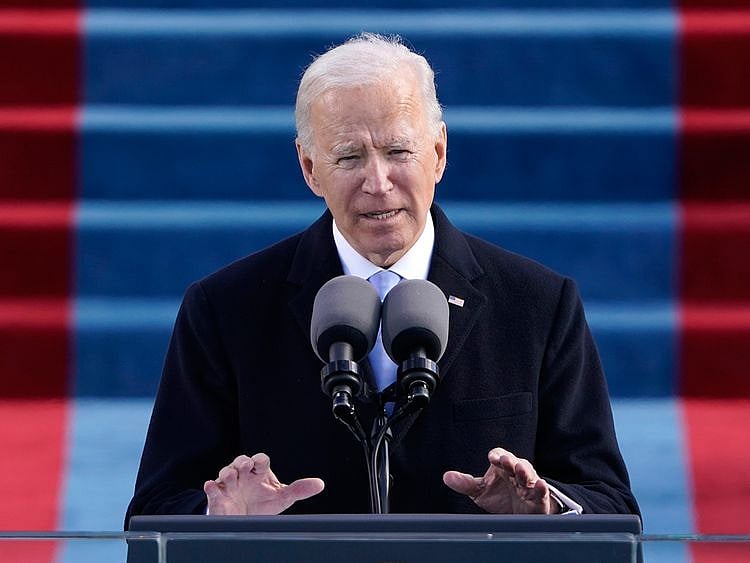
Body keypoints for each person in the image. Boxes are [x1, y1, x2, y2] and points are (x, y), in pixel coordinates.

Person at [126, 33, 639, 524]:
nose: (377, 183)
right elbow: (155, 508)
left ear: (438, 152)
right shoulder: (224, 309)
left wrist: (545, 508)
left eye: (398, 152)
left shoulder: (538, 305)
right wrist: (220, 517)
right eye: (349, 157)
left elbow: (611, 503)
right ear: (309, 168)